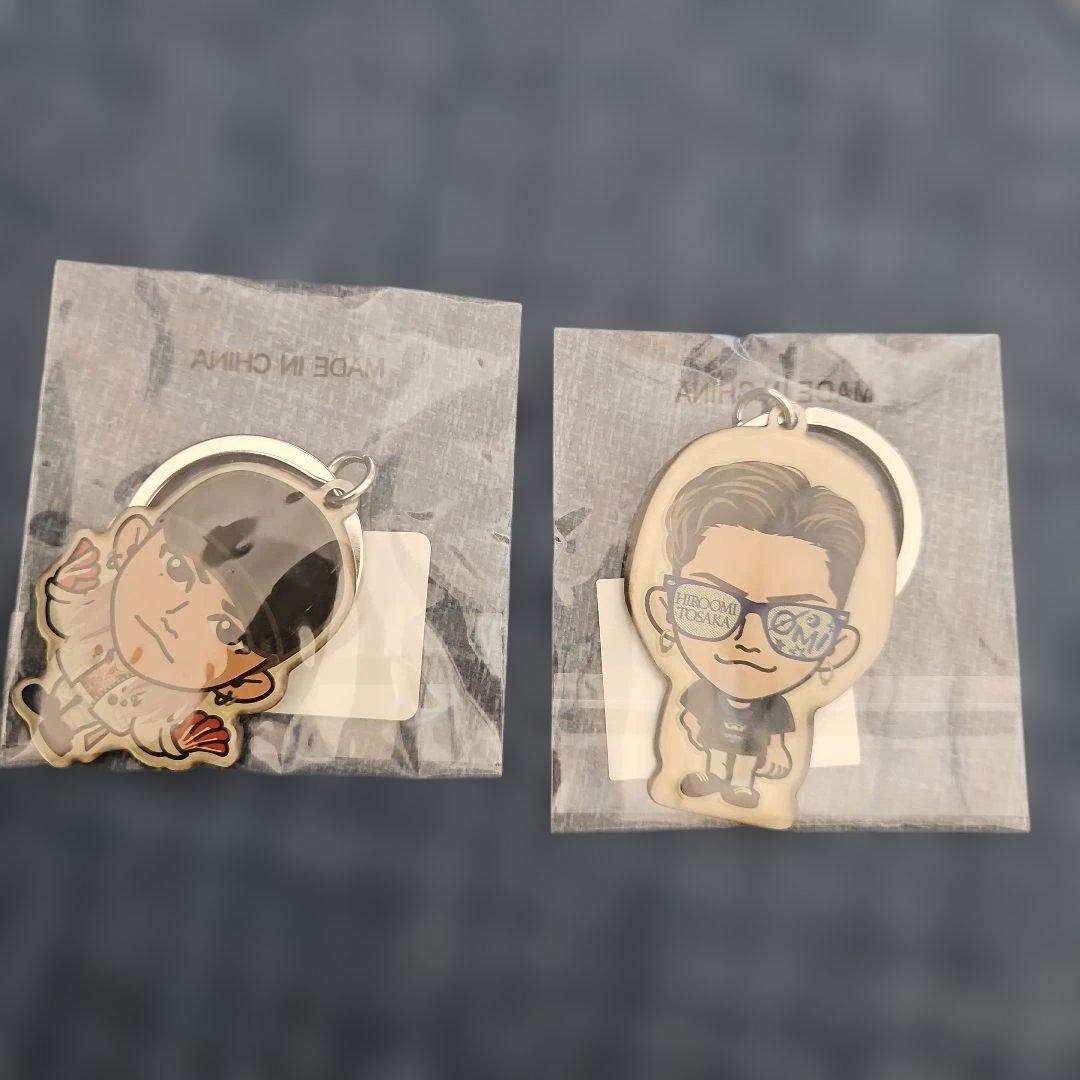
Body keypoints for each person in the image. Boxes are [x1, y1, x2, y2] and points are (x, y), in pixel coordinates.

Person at [13, 470, 343, 767]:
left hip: (96, 734)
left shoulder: (168, 703)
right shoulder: (96, 620)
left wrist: (182, 740)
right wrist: (69, 587)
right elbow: (69, 616)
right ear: (131, 540)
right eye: (177, 571)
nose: (177, 616)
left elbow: (153, 731)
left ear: (247, 684)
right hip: (56, 688)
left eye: (224, 629)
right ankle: (47, 710)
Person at [645, 461, 864, 809]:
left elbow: (777, 738)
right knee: (715, 760)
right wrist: (692, 724)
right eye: (711, 605)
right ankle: (712, 777)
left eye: (794, 623)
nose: (748, 640)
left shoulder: (775, 709)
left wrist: (777, 751)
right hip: (689, 766)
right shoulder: (697, 692)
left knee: (745, 767)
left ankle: (742, 788)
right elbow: (689, 715)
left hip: (755, 760)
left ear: (836, 646)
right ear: (665, 610)